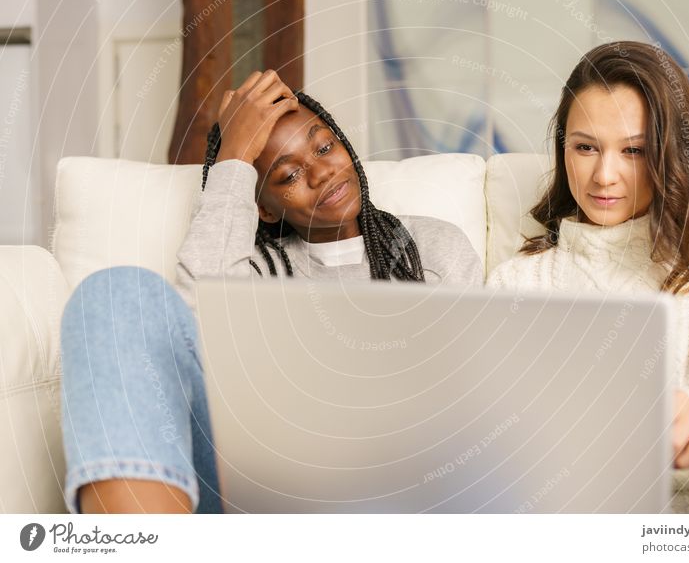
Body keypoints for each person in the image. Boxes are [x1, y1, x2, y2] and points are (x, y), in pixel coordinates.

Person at [61, 71, 483, 514]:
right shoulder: (255, 272)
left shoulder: (429, 249)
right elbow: (196, 328)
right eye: (288, 175)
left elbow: (468, 394)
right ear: (262, 206)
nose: (322, 173)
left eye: (325, 147)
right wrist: (235, 157)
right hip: (262, 493)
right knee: (113, 295)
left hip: (395, 485)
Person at [488, 41, 689, 513]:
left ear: (672, 154)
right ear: (563, 149)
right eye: (585, 147)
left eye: (634, 151)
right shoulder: (517, 287)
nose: (604, 176)